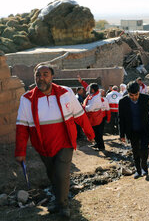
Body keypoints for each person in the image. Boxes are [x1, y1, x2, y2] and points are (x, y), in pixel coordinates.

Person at [15, 65, 95, 218]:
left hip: (65, 143)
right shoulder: (26, 99)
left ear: (52, 76)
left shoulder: (65, 93)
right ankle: (58, 201)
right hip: (43, 146)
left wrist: (89, 133)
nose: (41, 77)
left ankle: (64, 205)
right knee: (52, 174)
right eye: (38, 75)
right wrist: (20, 151)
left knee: (61, 174)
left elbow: (79, 115)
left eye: (45, 74)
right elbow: (21, 128)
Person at [119, 81, 149, 179]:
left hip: (144, 129)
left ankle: (144, 168)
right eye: (131, 95)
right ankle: (138, 170)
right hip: (132, 130)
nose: (134, 97)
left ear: (139, 91)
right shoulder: (123, 102)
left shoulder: (146, 99)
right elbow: (121, 119)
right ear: (127, 93)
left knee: (144, 150)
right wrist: (122, 134)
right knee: (135, 151)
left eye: (136, 95)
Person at [84, 83, 105, 150]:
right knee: (95, 131)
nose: (88, 90)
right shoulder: (94, 95)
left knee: (98, 133)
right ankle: (97, 144)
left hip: (95, 117)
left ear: (92, 90)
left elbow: (89, 109)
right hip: (95, 116)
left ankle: (101, 146)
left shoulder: (95, 98)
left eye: (90, 89)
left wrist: (83, 106)